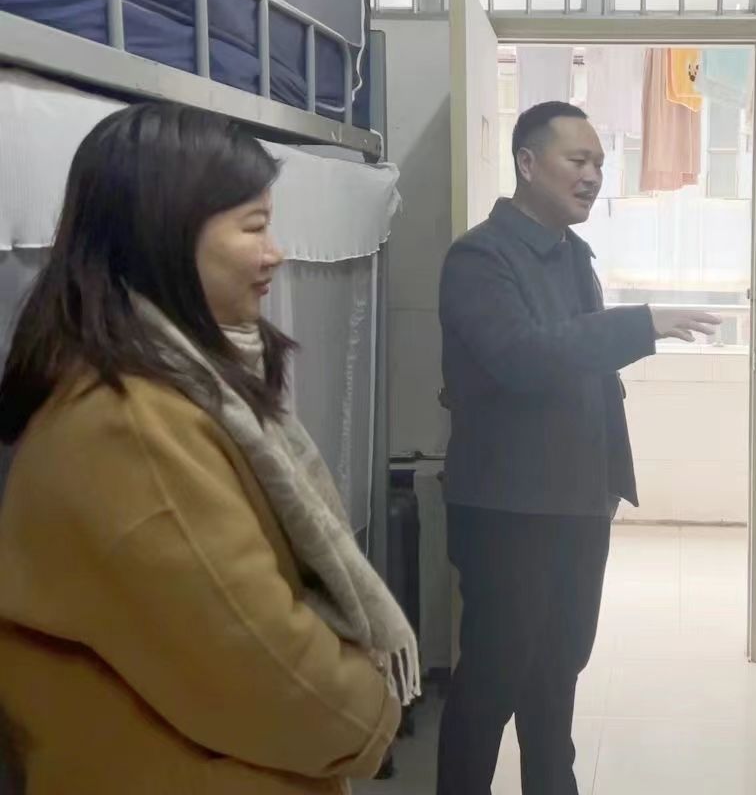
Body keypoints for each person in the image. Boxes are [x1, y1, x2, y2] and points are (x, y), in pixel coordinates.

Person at [0, 103, 415, 794]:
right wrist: (373, 709)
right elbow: (266, 665)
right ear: (164, 237)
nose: (275, 253)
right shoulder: (128, 428)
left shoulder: (176, 382)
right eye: (254, 226)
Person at [436, 101, 719, 794]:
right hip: (509, 510)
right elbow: (522, 357)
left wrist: (607, 486)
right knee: (492, 682)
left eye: (599, 162)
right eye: (578, 159)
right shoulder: (479, 257)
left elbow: (587, 376)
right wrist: (641, 324)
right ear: (527, 163)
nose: (593, 175)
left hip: (576, 504)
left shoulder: (572, 254)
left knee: (558, 674)